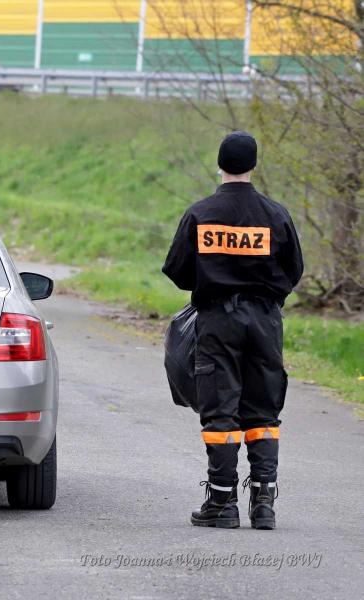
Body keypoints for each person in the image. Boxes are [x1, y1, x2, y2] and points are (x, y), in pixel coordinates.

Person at [163, 131, 304, 530]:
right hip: (264, 321)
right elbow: (294, 269)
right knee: (263, 410)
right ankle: (264, 504)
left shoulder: (200, 214)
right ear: (254, 165)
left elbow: (177, 270)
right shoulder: (276, 215)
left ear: (220, 164)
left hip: (217, 321)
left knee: (220, 408)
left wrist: (213, 278)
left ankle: (222, 503)